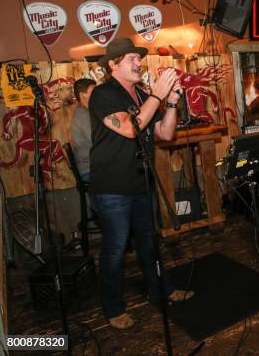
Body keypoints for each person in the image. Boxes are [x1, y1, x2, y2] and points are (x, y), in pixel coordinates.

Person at [89, 37, 193, 329]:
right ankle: (112, 308)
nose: (139, 63)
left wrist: (170, 102)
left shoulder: (140, 95)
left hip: (140, 182)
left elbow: (164, 132)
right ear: (113, 65)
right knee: (115, 248)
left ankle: (163, 290)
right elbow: (130, 129)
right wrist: (157, 96)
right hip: (111, 188)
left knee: (149, 243)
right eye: (131, 59)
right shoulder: (103, 94)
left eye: (139, 58)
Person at [71, 78, 96, 182]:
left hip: (93, 166)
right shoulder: (82, 115)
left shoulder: (86, 112)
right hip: (89, 170)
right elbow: (97, 139)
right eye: (93, 92)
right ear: (82, 95)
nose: (97, 94)